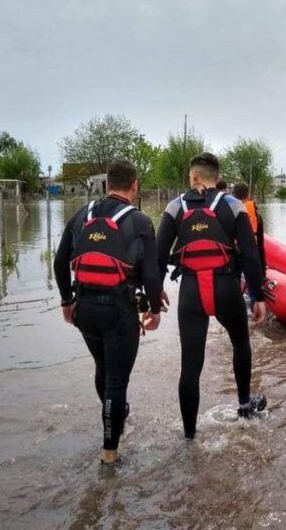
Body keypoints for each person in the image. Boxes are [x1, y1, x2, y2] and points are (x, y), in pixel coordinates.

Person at [54, 160, 164, 465]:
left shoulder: (81, 215)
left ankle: (114, 417)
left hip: (85, 309)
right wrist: (155, 309)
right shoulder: (140, 221)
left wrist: (66, 302)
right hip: (119, 310)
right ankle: (109, 455)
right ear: (135, 185)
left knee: (102, 368)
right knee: (117, 382)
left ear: (106, 184)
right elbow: (152, 274)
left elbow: (60, 261)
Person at [156, 152, 267, 440]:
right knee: (240, 342)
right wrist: (258, 297)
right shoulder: (232, 205)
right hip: (226, 288)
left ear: (192, 177)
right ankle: (244, 406)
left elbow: (157, 256)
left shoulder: (174, 207)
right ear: (217, 179)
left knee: (190, 363)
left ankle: (190, 435)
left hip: (191, 292)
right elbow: (251, 256)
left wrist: (155, 293)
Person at [232, 182, 267, 283]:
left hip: (236, 257)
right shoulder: (257, 216)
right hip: (252, 257)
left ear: (233, 195)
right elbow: (260, 246)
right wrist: (263, 272)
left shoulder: (229, 213)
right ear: (248, 195)